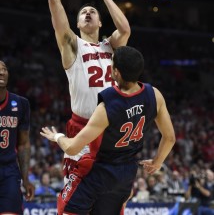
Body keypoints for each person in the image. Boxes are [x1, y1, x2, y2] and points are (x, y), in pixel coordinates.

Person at [40, 46, 176, 215]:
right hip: (126, 175)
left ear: (116, 72)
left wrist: (57, 136)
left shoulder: (108, 105)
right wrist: (157, 162)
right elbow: (170, 138)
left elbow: (72, 147)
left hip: (99, 171)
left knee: (66, 208)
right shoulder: (155, 95)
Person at [48, 0, 131, 210]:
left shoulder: (111, 46)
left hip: (110, 128)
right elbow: (53, 0)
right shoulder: (72, 45)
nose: (87, 13)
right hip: (82, 127)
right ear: (76, 22)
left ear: (100, 21)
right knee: (74, 201)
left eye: (92, 12)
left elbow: (125, 29)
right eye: (83, 12)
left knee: (112, 199)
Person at [0, 60, 35, 214]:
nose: (1, 72)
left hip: (9, 171)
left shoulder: (21, 104)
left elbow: (23, 144)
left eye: (4, 69)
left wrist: (26, 178)